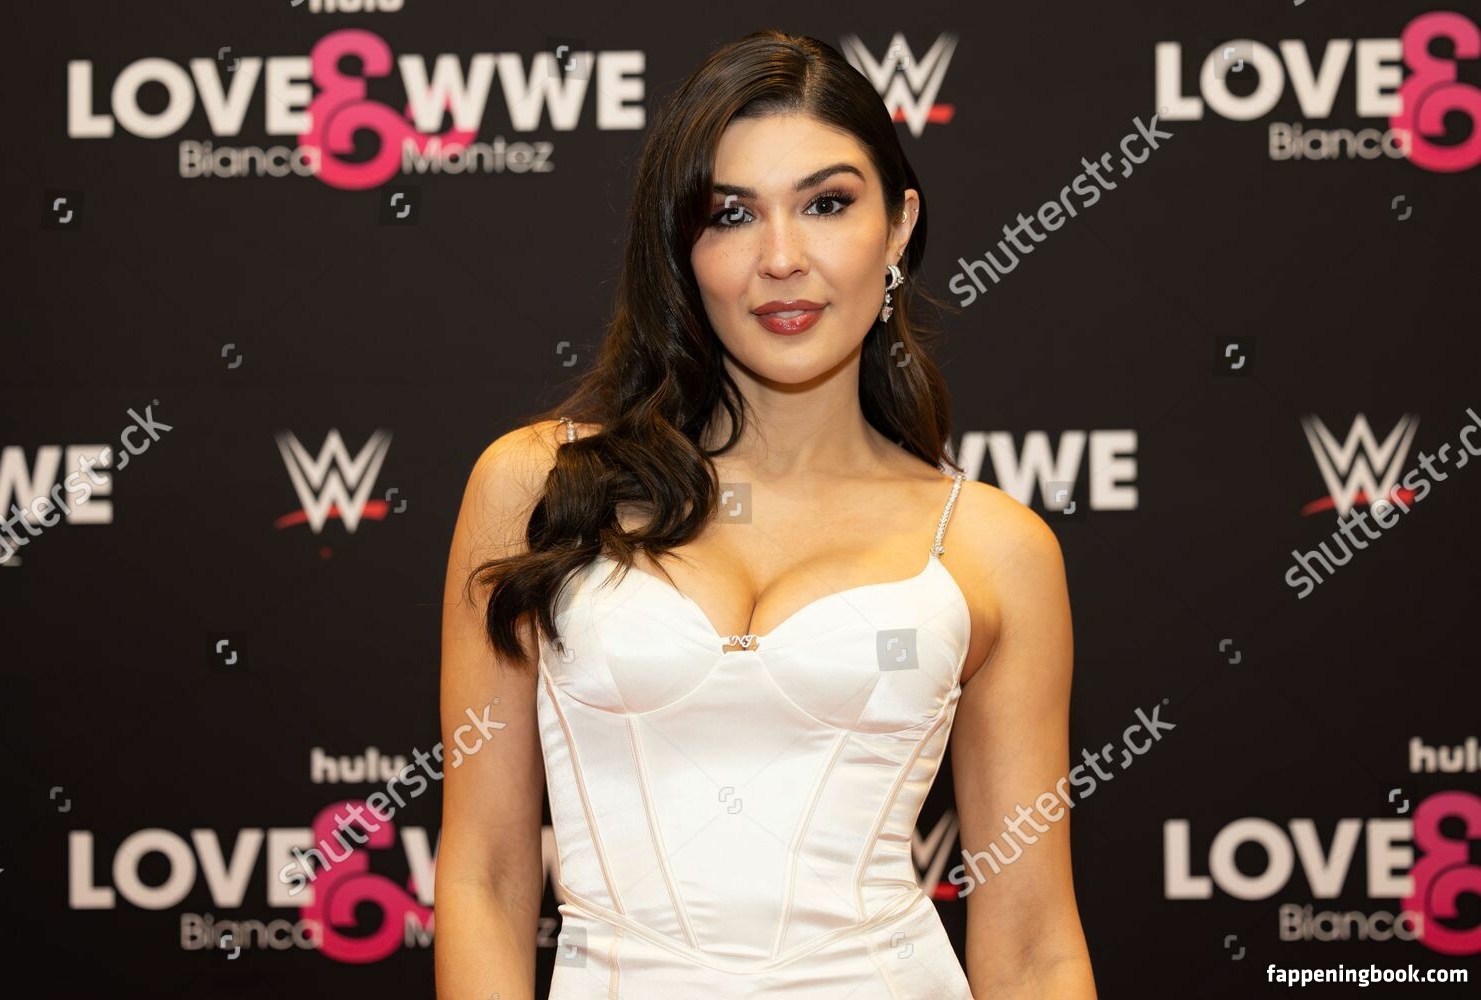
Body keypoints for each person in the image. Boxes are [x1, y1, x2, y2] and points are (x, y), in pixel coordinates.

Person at [435, 29, 1095, 999]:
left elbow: (1035, 944)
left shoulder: (994, 546)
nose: (782, 258)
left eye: (827, 204)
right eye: (732, 214)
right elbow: (485, 877)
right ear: (681, 247)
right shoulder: (539, 486)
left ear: (899, 226)